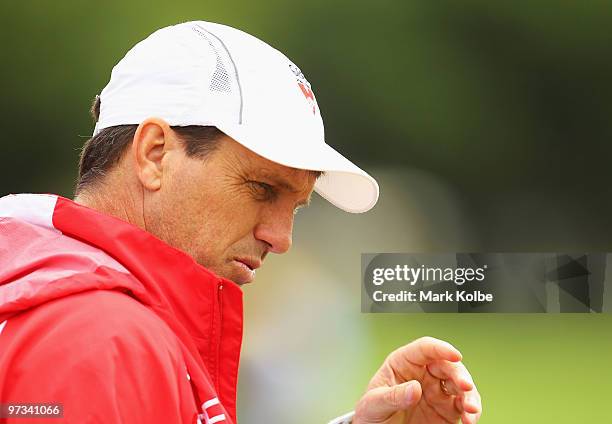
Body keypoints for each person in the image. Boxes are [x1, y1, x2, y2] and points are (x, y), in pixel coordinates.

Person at [0, 21, 481, 423]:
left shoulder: (69, 299)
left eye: (294, 207)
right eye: (261, 189)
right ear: (154, 154)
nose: (282, 238)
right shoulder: (103, 337)